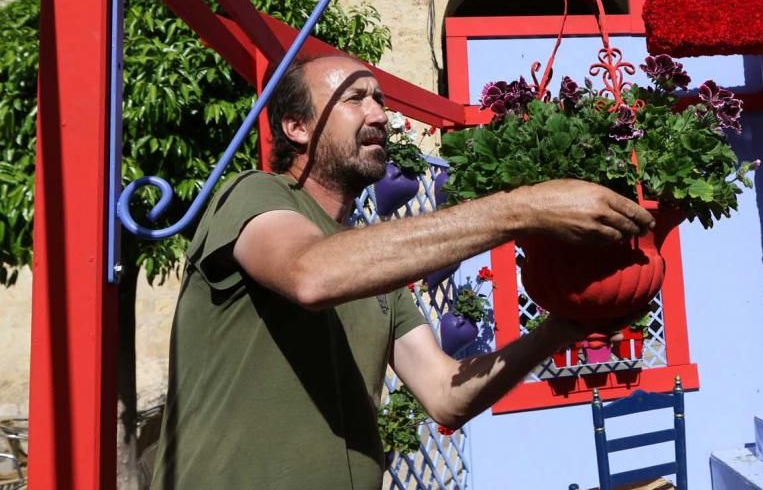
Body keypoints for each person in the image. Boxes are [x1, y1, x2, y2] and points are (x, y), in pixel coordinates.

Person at [150, 54, 654, 489]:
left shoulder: (376, 276)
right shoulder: (256, 195)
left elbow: (445, 394)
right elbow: (310, 274)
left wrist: (559, 330)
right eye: (355, 99)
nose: (379, 114)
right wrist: (521, 209)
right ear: (296, 128)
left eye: (381, 100)